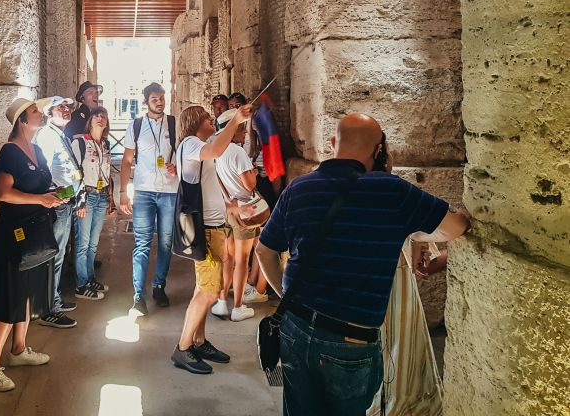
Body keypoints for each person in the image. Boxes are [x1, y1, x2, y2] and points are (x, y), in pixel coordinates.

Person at [256, 113, 470, 415]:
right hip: (350, 339)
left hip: (296, 327)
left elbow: (264, 252)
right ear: (380, 151)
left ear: (333, 144)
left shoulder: (298, 189)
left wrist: (285, 299)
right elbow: (456, 226)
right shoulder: (393, 192)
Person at [0, 98, 68, 392]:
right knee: (11, 294)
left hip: (37, 229)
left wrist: (54, 194)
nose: (41, 114)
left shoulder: (38, 149)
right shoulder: (10, 153)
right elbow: (4, 193)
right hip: (15, 231)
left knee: (29, 292)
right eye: (35, 112)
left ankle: (18, 349)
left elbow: (40, 187)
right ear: (21, 120)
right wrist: (41, 199)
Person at [170, 103, 252, 375]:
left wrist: (233, 209)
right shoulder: (191, 144)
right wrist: (236, 118)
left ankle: (199, 340)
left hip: (214, 227)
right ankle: (182, 349)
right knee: (208, 291)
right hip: (204, 230)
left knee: (202, 288)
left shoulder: (199, 147)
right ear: (196, 122)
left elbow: (211, 188)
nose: (211, 120)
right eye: (207, 117)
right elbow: (217, 148)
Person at [119, 82, 178, 315]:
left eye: (162, 98)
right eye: (155, 99)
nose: (160, 102)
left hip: (169, 191)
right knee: (142, 243)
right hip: (144, 191)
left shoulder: (173, 124)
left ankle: (159, 286)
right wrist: (124, 192)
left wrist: (178, 167)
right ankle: (138, 297)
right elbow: (126, 161)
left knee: (165, 242)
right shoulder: (136, 125)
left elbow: (184, 152)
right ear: (146, 102)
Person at [34, 96, 84, 328]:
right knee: (53, 256)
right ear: (49, 113)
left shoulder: (59, 135)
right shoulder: (46, 136)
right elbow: (43, 172)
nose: (66, 110)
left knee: (59, 255)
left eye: (68, 107)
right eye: (60, 107)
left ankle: (53, 300)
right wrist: (56, 197)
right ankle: (48, 309)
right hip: (57, 205)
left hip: (65, 203)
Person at [210, 108, 259, 322]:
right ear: (235, 128)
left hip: (226, 207)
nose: (246, 133)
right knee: (242, 259)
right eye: (242, 128)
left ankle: (221, 302)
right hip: (244, 209)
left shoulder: (217, 151)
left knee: (227, 258)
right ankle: (238, 306)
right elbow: (249, 186)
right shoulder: (238, 153)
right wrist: (254, 174)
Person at [70, 106, 114, 300]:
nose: (100, 118)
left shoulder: (106, 143)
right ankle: (81, 285)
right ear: (90, 120)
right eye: (96, 115)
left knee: (93, 244)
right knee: (82, 243)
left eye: (103, 116)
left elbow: (108, 172)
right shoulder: (80, 142)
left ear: (106, 123)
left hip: (102, 196)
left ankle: (89, 278)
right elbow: (74, 173)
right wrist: (78, 201)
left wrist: (110, 197)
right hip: (86, 197)